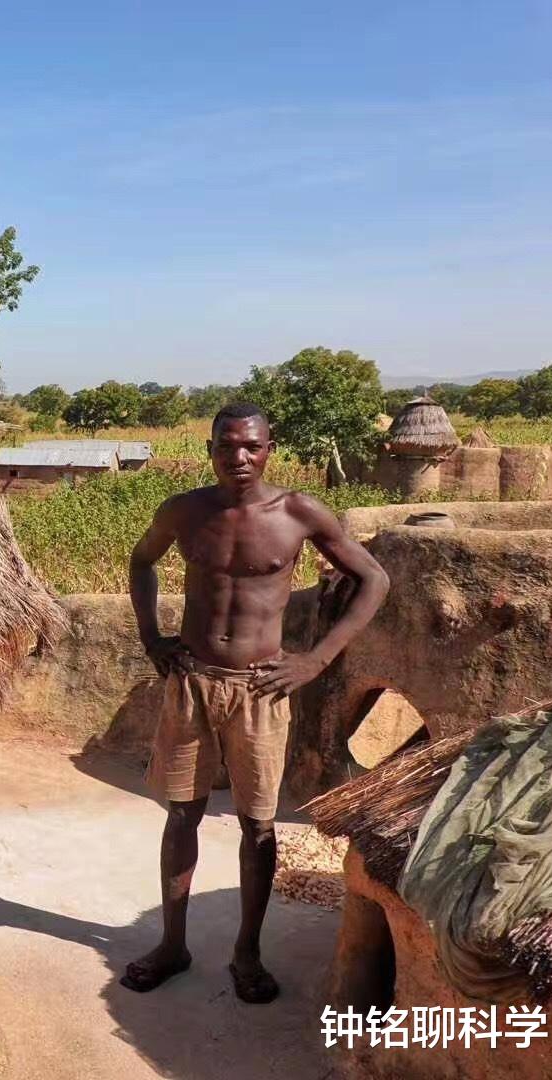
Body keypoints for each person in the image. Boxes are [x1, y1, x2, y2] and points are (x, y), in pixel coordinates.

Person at [121, 403, 389, 1004]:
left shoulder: (298, 512)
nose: (238, 458)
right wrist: (151, 636)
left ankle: (247, 953)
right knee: (181, 815)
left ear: (270, 448)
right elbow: (142, 561)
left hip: (259, 691)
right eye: (226, 446)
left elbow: (374, 579)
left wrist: (315, 660)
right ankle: (172, 944)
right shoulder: (185, 511)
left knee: (258, 824)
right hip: (192, 683)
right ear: (210, 448)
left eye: (252, 447)